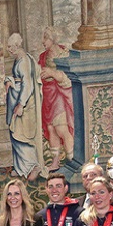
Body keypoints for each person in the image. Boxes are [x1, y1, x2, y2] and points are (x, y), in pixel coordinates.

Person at [4, 32, 46, 181]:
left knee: (22, 135)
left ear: (17, 46)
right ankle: (21, 168)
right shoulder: (19, 58)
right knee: (16, 133)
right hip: (17, 99)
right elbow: (18, 80)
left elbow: (27, 85)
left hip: (25, 103)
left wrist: (21, 104)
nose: (8, 49)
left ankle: (33, 166)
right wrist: (10, 80)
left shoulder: (23, 61)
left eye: (10, 47)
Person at [38, 26, 75, 172]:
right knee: (51, 128)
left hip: (59, 94)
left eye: (45, 38)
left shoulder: (63, 53)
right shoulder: (43, 56)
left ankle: (72, 160)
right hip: (48, 95)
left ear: (52, 39)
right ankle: (55, 161)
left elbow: (68, 74)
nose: (43, 41)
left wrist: (52, 73)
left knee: (61, 128)